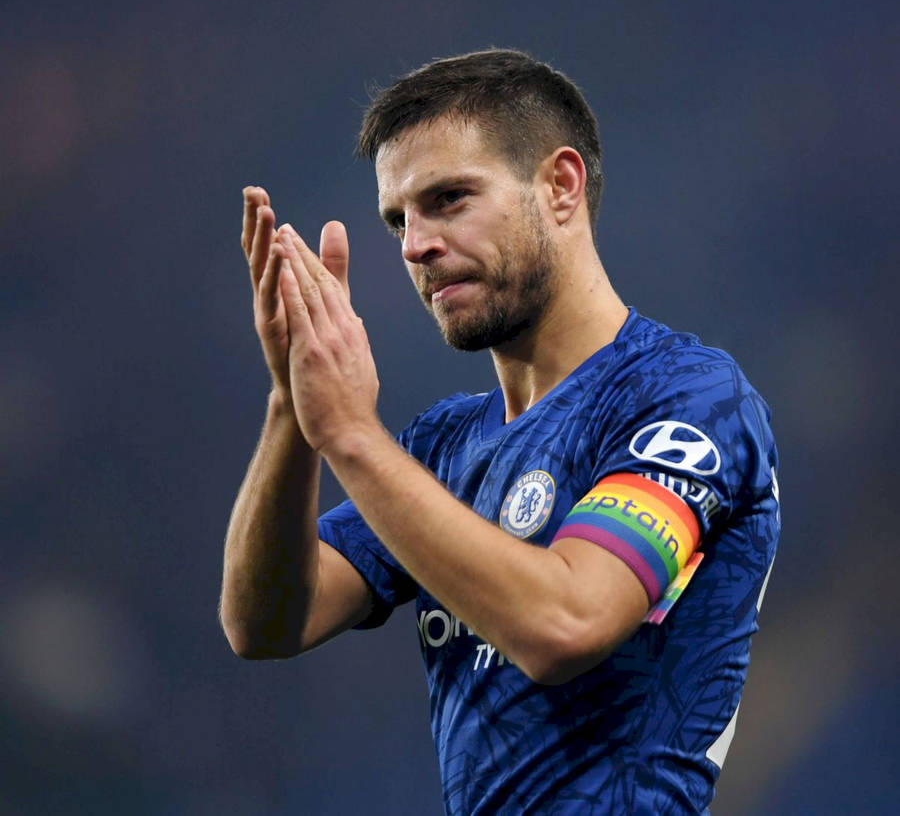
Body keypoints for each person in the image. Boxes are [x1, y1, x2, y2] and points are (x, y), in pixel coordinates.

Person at [220, 49, 780, 814]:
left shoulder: (688, 397)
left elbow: (567, 619)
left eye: (448, 198)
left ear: (560, 185)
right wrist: (294, 403)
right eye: (398, 220)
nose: (415, 245)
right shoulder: (444, 447)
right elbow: (267, 620)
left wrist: (350, 434)